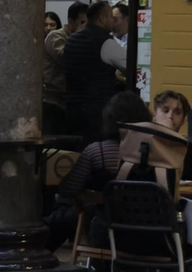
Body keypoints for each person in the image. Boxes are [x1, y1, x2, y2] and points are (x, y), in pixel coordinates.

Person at [44, 91, 151, 250]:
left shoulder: (96, 152)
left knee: (66, 206)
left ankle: (42, 245)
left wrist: (90, 195)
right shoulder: (152, 154)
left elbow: (69, 189)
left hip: (105, 232)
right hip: (146, 232)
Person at [63, 1, 123, 142]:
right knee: (96, 155)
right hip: (97, 112)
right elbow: (130, 65)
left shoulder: (71, 40)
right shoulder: (106, 42)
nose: (113, 21)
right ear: (102, 18)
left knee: (76, 154)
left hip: (72, 110)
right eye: (110, 17)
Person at [43, 1, 88, 134]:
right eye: (82, 22)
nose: (86, 27)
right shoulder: (56, 36)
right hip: (53, 100)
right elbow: (67, 59)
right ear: (70, 21)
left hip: (69, 100)